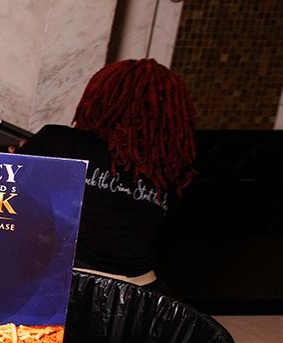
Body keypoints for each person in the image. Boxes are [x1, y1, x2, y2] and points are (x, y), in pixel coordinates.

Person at [18, 59, 198, 284]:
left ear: (100, 96)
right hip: (140, 290)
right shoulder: (172, 170)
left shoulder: (59, 141)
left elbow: (13, 205)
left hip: (63, 283)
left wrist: (23, 155)